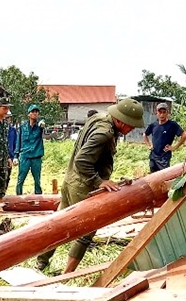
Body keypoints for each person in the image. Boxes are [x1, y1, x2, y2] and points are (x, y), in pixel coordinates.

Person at [36, 98, 145, 274]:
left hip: (71, 180)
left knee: (58, 226)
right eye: (130, 125)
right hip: (83, 187)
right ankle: (67, 275)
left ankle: (41, 263)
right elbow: (82, 160)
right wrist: (100, 181)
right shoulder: (105, 133)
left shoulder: (99, 118)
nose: (132, 129)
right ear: (120, 120)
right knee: (87, 232)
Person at [143, 102, 186, 172]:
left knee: (164, 178)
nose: (162, 115)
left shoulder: (172, 125)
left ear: (167, 113)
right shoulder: (153, 125)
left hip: (164, 158)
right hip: (153, 156)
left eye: (164, 112)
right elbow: (145, 134)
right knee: (153, 176)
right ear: (156, 113)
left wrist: (174, 147)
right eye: (160, 112)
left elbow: (184, 135)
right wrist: (149, 145)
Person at [15, 104, 46, 194]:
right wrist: (15, 156)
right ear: (29, 114)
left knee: (37, 180)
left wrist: (43, 123)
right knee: (20, 180)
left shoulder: (40, 126)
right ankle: (18, 198)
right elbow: (18, 142)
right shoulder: (22, 127)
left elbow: (43, 125)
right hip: (25, 156)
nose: (35, 113)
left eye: (36, 112)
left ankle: (39, 199)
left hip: (36, 156)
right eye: (33, 112)